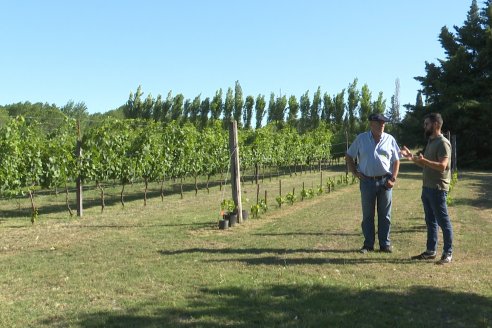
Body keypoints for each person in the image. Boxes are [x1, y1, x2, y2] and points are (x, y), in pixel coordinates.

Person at [401, 113, 454, 265]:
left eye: (427, 124)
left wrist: (424, 160)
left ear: (436, 124)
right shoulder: (431, 142)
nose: (424, 126)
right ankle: (431, 251)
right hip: (427, 188)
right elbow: (426, 164)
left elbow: (442, 166)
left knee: (443, 222)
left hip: (438, 189)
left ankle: (447, 253)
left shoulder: (443, 143)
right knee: (430, 221)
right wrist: (411, 157)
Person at [345, 113, 400, 253]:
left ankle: (385, 244)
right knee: (368, 215)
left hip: (385, 182)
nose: (382, 126)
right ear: (371, 124)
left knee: (385, 215)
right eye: (379, 124)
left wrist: (393, 178)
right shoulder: (361, 138)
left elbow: (396, 160)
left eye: (383, 124)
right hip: (367, 182)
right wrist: (355, 172)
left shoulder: (389, 139)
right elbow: (349, 155)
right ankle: (368, 245)